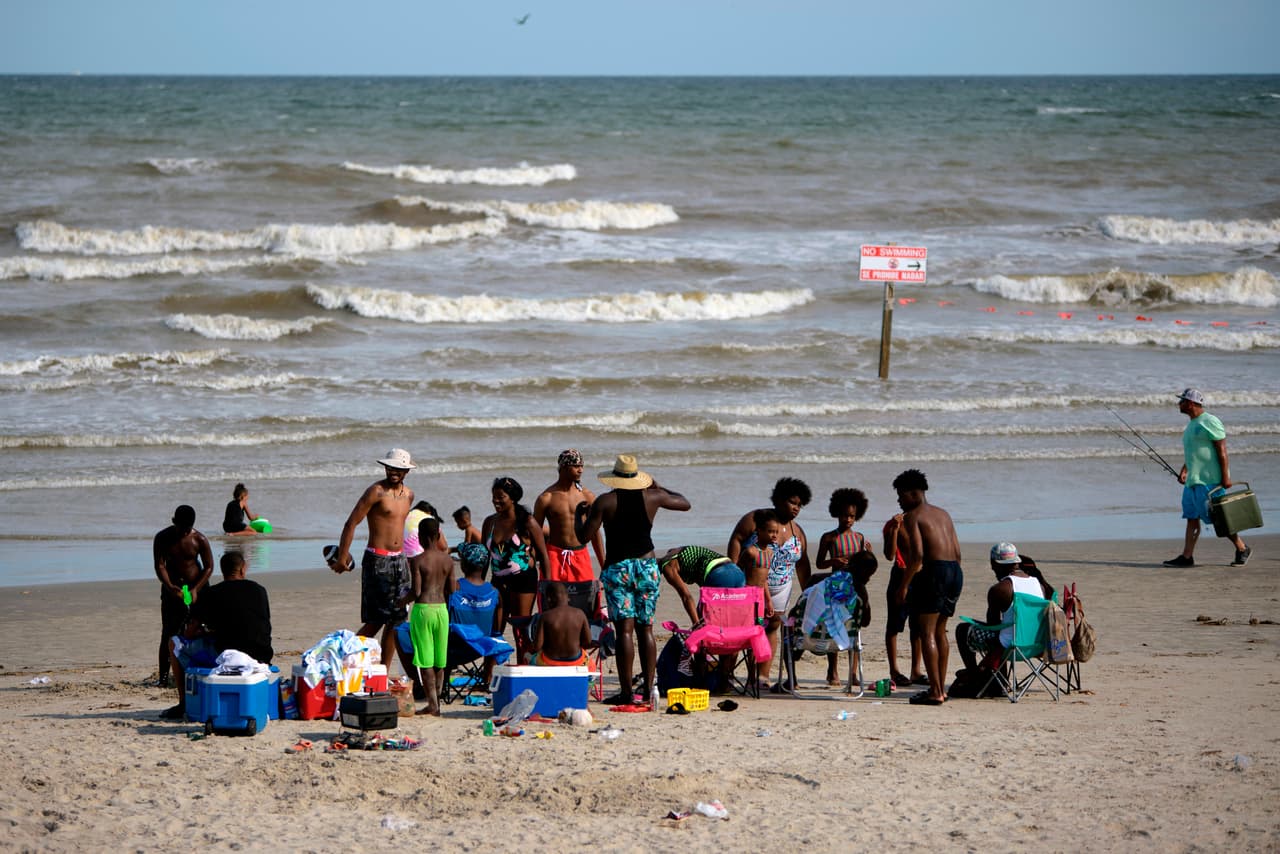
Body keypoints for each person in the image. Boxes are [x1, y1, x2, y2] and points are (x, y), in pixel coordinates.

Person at [575, 454, 690, 705]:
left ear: (615, 478)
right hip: (647, 566)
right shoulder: (653, 497)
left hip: (619, 568)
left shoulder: (605, 502)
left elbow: (583, 537)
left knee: (624, 630)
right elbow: (684, 503)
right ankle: (650, 690)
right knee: (645, 628)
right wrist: (658, 487)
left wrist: (579, 515)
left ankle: (627, 693)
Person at [330, 448, 417, 669]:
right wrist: (342, 557)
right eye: (390, 467)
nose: (393, 471)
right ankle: (345, 662)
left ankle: (382, 671)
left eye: (398, 468)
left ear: (406, 471)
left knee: (397, 621)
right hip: (377, 561)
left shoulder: (409, 495)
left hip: (401, 561)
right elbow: (351, 523)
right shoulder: (376, 491)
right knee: (376, 620)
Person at [161, 551, 271, 720]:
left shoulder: (212, 593)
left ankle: (183, 702)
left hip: (227, 655)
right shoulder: (260, 590)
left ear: (223, 571)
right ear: (243, 570)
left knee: (174, 643)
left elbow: (190, 632)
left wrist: (205, 632)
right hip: (261, 654)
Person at [726, 477, 813, 691]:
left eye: (800, 505)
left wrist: (807, 593)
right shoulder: (756, 519)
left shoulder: (797, 531)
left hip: (781, 587)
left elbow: (802, 563)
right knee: (742, 630)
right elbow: (736, 539)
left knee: (772, 627)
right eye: (793, 502)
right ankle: (728, 675)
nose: (796, 508)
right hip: (751, 584)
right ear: (779, 499)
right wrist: (733, 572)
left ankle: (762, 677)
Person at [893, 469, 962, 706]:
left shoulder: (913, 516)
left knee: (927, 632)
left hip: (934, 571)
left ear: (914, 493)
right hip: (954, 570)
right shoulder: (944, 514)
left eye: (901, 495)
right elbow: (958, 552)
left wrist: (904, 585)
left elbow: (918, 556)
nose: (899, 501)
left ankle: (935, 691)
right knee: (940, 630)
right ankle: (940, 688)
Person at [1164, 388, 1251, 568]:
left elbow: (1222, 451)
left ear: (1191, 403)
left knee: (1220, 519)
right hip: (1192, 482)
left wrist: (1225, 477)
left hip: (1210, 481)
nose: (1179, 404)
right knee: (1191, 518)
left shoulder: (1210, 421)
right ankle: (1187, 557)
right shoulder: (1190, 425)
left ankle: (1242, 548)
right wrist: (1185, 469)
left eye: (1182, 401)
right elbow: (1194, 453)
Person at [952, 542, 1052, 697]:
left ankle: (974, 675)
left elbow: (993, 625)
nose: (992, 570)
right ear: (1016, 562)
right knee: (1005, 631)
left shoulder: (1001, 589)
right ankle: (997, 678)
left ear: (996, 564)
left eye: (993, 566)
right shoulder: (1039, 584)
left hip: (1010, 647)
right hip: (1037, 645)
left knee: (963, 629)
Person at [482, 476, 550, 662]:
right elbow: (484, 556)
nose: (496, 501)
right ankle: (488, 675)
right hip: (497, 581)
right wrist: (480, 584)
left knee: (521, 629)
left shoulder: (526, 522)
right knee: (495, 628)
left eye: (500, 497)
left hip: (524, 581)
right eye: (494, 497)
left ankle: (523, 669)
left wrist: (548, 585)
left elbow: (544, 555)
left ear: (512, 498)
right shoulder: (489, 522)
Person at [815, 488, 874, 686]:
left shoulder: (859, 538)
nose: (848, 520)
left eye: (852, 517)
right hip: (835, 587)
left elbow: (864, 564)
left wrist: (868, 554)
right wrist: (834, 561)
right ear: (836, 514)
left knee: (854, 628)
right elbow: (819, 563)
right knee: (833, 627)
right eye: (844, 515)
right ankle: (832, 672)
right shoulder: (829, 537)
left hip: (854, 587)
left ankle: (853, 673)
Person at [153, 505, 214, 688]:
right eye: (182, 527)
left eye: (188, 528)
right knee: (169, 634)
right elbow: (160, 565)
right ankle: (163, 678)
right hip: (172, 590)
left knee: (201, 629)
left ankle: (202, 670)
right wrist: (170, 586)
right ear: (174, 522)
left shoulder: (199, 539)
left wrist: (196, 589)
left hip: (198, 589)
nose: (185, 531)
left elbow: (209, 567)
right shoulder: (163, 538)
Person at [403, 516, 455, 716]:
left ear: (421, 538)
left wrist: (399, 602)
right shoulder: (448, 560)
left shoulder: (417, 560)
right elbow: (452, 589)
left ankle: (432, 704)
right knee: (440, 660)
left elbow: (415, 592)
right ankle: (438, 702)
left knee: (425, 660)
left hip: (423, 610)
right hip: (441, 610)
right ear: (438, 535)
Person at [533, 449, 606, 582]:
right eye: (576, 466)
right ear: (564, 467)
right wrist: (533, 561)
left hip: (581, 555)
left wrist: (604, 564)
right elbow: (534, 533)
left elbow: (595, 533)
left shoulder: (587, 496)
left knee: (585, 598)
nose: (580, 470)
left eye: (582, 466)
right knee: (552, 599)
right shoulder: (546, 498)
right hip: (554, 556)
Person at [739, 508, 784, 689]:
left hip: (759, 599)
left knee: (758, 635)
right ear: (759, 531)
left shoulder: (770, 554)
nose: (774, 535)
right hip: (746, 598)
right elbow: (737, 572)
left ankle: (757, 675)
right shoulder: (750, 552)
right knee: (749, 637)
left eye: (776, 532)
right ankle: (751, 675)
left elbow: (764, 580)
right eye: (770, 531)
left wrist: (769, 601)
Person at [883, 512, 925, 688]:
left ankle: (916, 671)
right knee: (894, 625)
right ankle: (894, 670)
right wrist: (894, 531)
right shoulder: (894, 524)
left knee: (918, 626)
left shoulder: (924, 522)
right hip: (901, 574)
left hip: (921, 576)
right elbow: (889, 555)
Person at [657, 544, 746, 626]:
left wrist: (696, 625)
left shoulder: (667, 567)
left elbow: (686, 597)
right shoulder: (673, 552)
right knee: (733, 620)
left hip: (719, 575)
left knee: (704, 620)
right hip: (737, 572)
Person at [532, 581, 592, 666]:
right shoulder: (580, 614)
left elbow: (537, 646)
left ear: (549, 599)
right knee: (590, 663)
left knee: (530, 659)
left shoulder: (545, 616)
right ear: (568, 597)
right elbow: (588, 642)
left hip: (550, 661)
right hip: (576, 661)